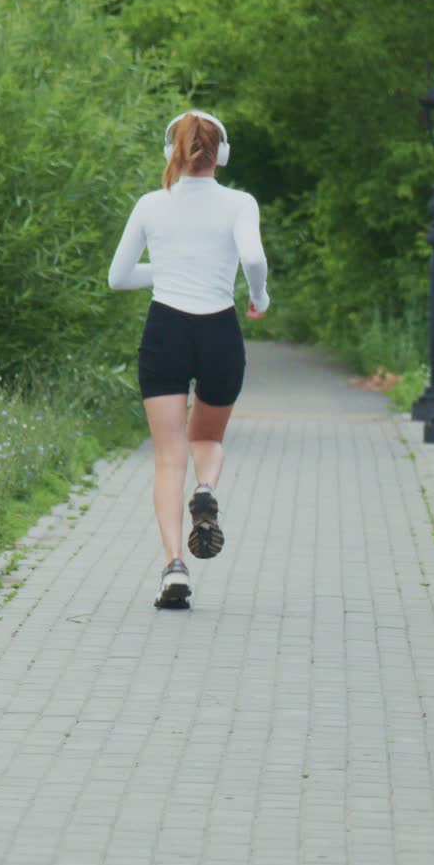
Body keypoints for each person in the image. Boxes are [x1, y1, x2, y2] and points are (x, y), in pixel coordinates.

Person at [108, 109, 270, 609]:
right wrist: (259, 297)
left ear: (170, 152)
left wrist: (171, 267)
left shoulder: (151, 204)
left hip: (166, 331)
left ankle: (174, 566)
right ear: (221, 154)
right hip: (219, 329)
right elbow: (254, 259)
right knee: (208, 437)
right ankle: (206, 489)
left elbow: (118, 276)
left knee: (167, 455)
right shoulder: (240, 202)